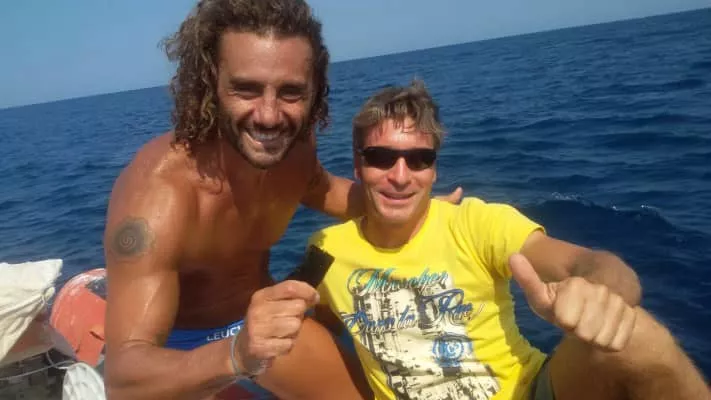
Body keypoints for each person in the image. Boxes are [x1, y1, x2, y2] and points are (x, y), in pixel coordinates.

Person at [101, 0, 461, 399]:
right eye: (246, 89)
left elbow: (325, 190)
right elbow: (123, 379)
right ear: (210, 83)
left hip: (265, 316)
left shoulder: (293, 148)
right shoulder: (159, 195)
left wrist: (412, 205)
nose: (269, 116)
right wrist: (237, 354)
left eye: (291, 92)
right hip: (183, 345)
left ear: (314, 91)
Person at [308, 80, 710, 400]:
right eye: (381, 157)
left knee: (638, 337)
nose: (400, 176)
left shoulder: (476, 222)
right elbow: (313, 328)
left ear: (433, 171)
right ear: (358, 165)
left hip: (528, 391)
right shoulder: (327, 250)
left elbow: (592, 264)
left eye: (419, 159)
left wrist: (600, 293)